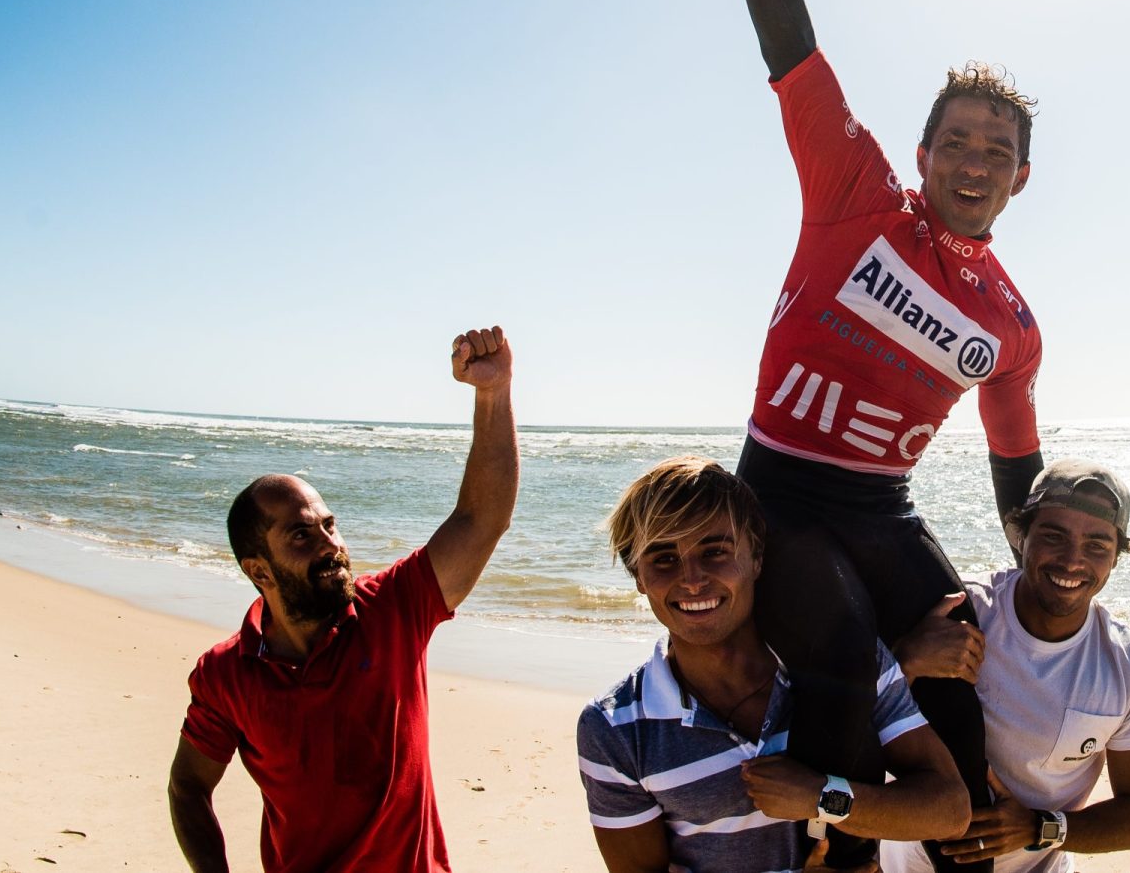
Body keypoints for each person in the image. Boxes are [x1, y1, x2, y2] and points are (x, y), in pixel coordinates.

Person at [717, 0, 1045, 870]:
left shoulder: (1008, 322)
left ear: (1020, 180)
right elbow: (790, 49)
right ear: (921, 154)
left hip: (882, 506)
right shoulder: (854, 192)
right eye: (956, 140)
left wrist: (1048, 577)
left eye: (996, 150)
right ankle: (841, 851)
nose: (974, 161)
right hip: (777, 489)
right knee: (846, 649)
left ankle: (965, 852)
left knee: (968, 670)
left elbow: (1017, 468)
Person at [166, 326, 519, 873]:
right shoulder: (226, 675)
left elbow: (481, 519)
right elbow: (188, 786)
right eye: (302, 536)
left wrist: (493, 394)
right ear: (258, 569)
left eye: (330, 525)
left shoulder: (395, 609)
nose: (332, 545)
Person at [578, 456, 968, 873]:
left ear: (756, 557)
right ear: (638, 576)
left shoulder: (849, 660)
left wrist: (822, 797)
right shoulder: (616, 728)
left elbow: (949, 809)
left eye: (714, 551)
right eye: (664, 559)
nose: (692, 580)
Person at [883, 461, 1130, 871]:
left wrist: (1039, 828)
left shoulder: (1128, 664)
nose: (1072, 561)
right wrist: (904, 660)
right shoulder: (955, 612)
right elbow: (848, 720)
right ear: (1020, 536)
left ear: (1115, 558)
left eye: (1097, 545)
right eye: (1054, 536)